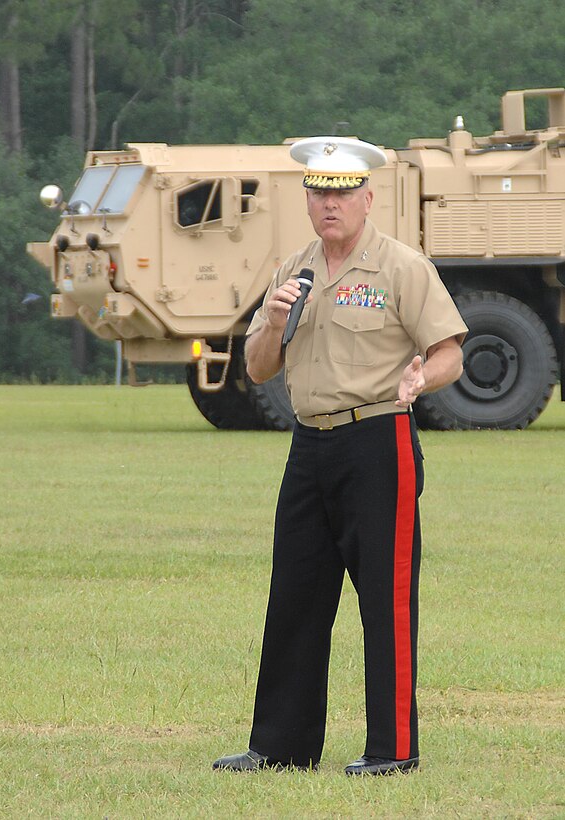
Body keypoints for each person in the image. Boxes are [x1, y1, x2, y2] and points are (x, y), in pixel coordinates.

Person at [213, 136, 468, 776]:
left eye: (343, 193)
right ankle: (280, 746)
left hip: (378, 440)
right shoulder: (292, 271)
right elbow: (259, 367)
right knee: (296, 594)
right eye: (319, 192)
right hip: (310, 444)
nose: (331, 204)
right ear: (306, 199)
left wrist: (421, 380)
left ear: (367, 199)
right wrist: (271, 323)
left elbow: (449, 352)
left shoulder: (401, 268)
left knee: (386, 596)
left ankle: (393, 749)